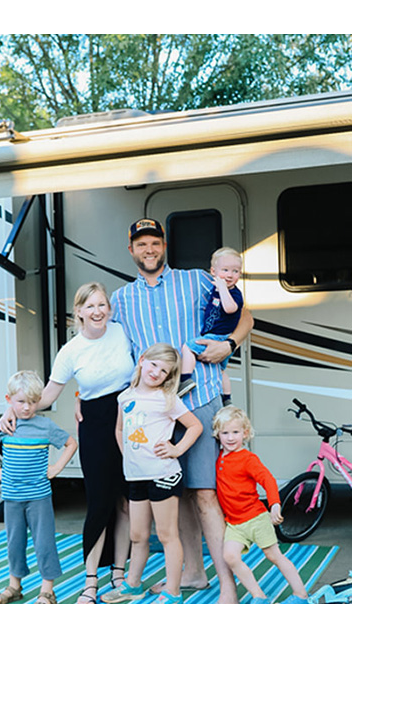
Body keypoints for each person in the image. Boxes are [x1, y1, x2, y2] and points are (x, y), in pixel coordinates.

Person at [110, 218, 252, 603]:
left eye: (155, 242)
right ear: (131, 250)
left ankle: (228, 585)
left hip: (198, 398)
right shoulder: (121, 299)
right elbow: (112, 353)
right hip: (154, 409)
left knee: (205, 493)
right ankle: (193, 572)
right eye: (142, 244)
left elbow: (245, 316)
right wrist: (77, 398)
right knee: (178, 494)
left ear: (164, 245)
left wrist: (230, 345)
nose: (149, 250)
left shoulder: (197, 281)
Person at [0, 283, 135, 603]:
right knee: (100, 502)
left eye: (102, 305)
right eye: (90, 307)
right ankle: (91, 581)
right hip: (95, 425)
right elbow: (44, 396)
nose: (98, 311)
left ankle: (119, 572)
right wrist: (12, 407)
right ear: (79, 312)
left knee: (126, 502)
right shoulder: (70, 350)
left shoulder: (122, 332)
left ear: (109, 308)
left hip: (129, 419)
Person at [102, 343, 202, 604]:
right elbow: (120, 430)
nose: (156, 372)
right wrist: (130, 458)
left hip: (163, 474)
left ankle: (173, 590)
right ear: (142, 360)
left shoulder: (167, 399)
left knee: (167, 535)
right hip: (136, 476)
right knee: (138, 535)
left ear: (169, 377)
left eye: (164, 371)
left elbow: (195, 426)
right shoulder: (125, 397)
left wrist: (176, 449)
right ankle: (132, 585)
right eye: (154, 365)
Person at [0, 371, 78, 605]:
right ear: (9, 400)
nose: (26, 408)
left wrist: (56, 468)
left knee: (44, 542)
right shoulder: (5, 425)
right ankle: (15, 585)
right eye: (21, 402)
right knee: (14, 542)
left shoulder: (44, 426)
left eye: (33, 402)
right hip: (12, 497)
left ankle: (47, 590)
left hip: (39, 497)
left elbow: (70, 443)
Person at [213, 406, 310, 604]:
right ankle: (259, 596)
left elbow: (268, 479)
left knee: (274, 556)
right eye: (225, 433)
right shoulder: (219, 457)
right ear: (217, 434)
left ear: (245, 433)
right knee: (230, 557)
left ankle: (301, 595)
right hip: (235, 524)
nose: (230, 438)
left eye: (236, 432)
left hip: (256, 518)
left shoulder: (248, 459)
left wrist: (275, 504)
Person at [180, 247, 244, 404]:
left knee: (188, 348)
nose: (230, 275)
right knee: (220, 371)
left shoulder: (234, 293)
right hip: (218, 336)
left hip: (218, 336)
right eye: (225, 270)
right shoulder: (215, 289)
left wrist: (223, 289)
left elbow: (230, 308)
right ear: (213, 271)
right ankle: (226, 398)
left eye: (235, 271)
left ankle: (185, 379)